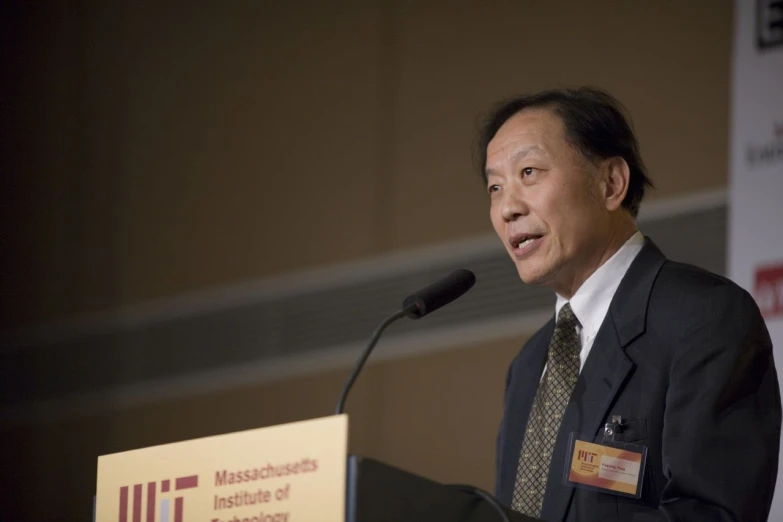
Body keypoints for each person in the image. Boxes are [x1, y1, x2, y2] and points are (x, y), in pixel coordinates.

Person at [479, 87, 781, 521]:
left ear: (611, 183)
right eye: (494, 186)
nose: (507, 207)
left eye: (529, 171)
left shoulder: (704, 317)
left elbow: (711, 512)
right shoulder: (528, 365)